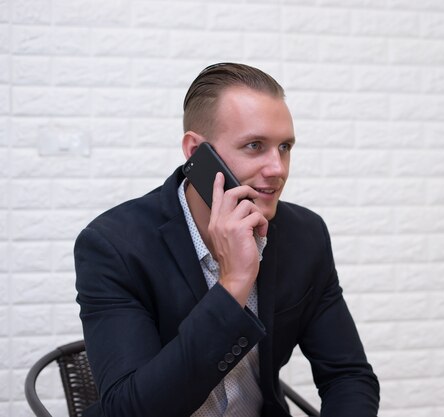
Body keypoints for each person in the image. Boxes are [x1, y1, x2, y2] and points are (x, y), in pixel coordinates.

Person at [74, 62, 379, 417]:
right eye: (254, 145)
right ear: (196, 153)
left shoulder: (305, 235)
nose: (277, 168)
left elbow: (348, 376)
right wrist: (233, 285)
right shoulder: (114, 245)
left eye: (284, 147)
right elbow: (131, 410)